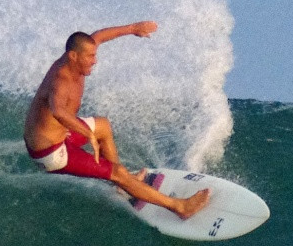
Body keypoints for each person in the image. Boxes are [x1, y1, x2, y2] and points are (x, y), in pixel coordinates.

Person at [25, 21, 212, 220]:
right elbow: (58, 111)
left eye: (94, 54)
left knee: (103, 126)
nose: (94, 60)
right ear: (73, 56)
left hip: (60, 134)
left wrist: (133, 29)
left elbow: (98, 35)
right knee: (118, 171)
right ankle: (179, 207)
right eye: (90, 56)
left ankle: (123, 185)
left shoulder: (77, 57)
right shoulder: (60, 81)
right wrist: (87, 134)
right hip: (51, 152)